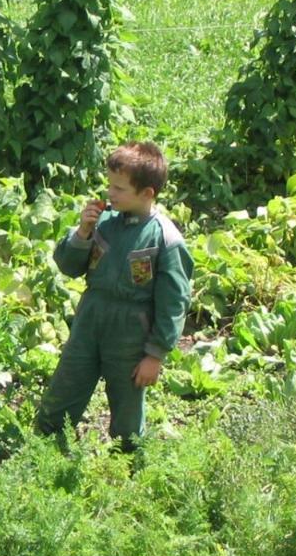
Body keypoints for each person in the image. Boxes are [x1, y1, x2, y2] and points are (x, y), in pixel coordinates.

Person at [34, 141, 194, 452]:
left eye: (119, 188)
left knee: (127, 402)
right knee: (67, 384)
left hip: (131, 330)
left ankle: (128, 462)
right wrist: (81, 233)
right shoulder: (103, 221)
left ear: (147, 193)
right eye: (110, 185)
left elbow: (174, 302)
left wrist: (155, 355)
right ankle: (45, 450)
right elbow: (69, 266)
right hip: (91, 318)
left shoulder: (165, 237)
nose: (110, 193)